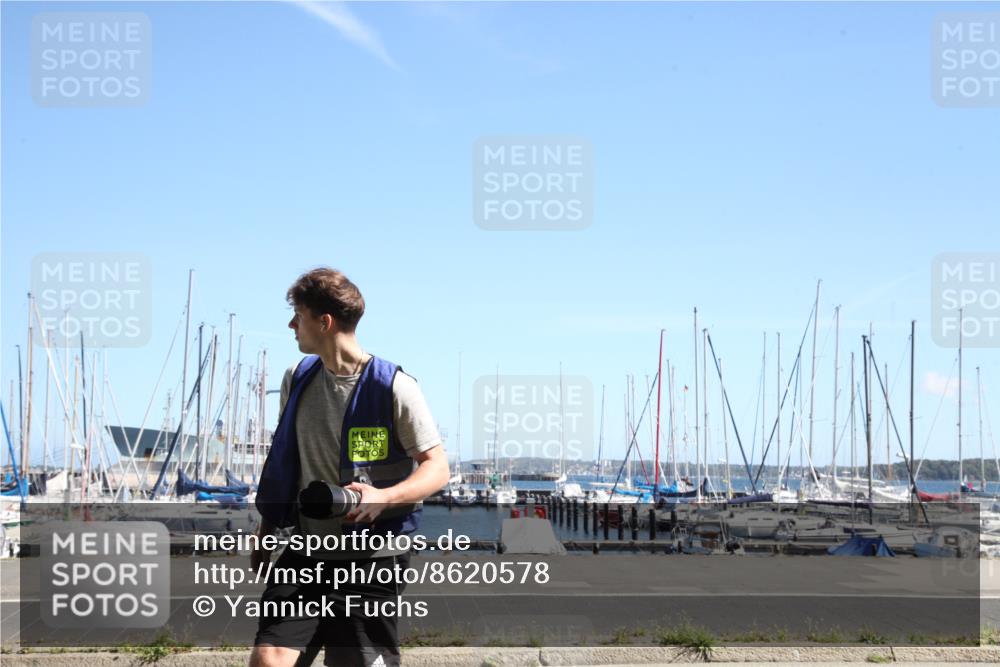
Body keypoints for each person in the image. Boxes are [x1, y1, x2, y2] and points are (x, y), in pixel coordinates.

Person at [249, 268, 449, 667]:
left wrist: (384, 497)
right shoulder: (298, 377)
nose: (291, 325)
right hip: (305, 552)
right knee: (269, 658)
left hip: (372, 559)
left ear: (324, 322)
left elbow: (437, 468)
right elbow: (286, 462)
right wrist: (267, 531)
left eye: (298, 315)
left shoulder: (394, 386)